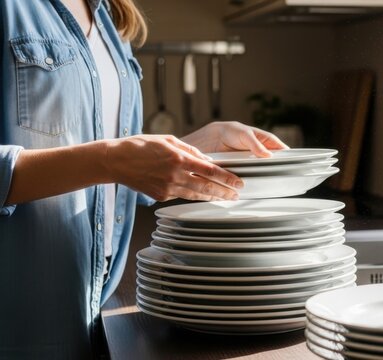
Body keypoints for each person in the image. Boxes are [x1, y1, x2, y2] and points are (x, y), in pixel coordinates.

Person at [0, 0, 287, 358]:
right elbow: (103, 159)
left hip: (93, 303)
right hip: (19, 319)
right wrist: (108, 160)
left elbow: (102, 169)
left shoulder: (107, 15)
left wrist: (191, 148)